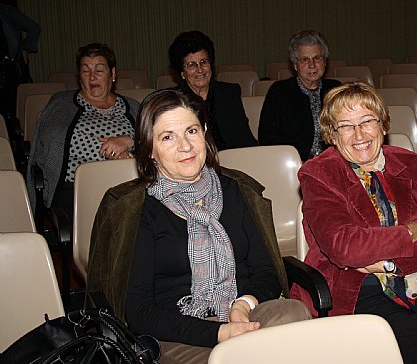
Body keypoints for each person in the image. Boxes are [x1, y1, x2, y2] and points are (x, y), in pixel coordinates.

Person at [86, 89, 310, 363]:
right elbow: (139, 311)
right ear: (149, 149)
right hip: (176, 332)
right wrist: (219, 333)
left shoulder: (238, 190)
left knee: (293, 312)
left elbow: (266, 271)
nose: (185, 146)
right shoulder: (136, 209)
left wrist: (243, 305)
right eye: (168, 137)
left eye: (191, 131)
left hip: (244, 316)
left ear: (204, 132)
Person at [291, 82, 417, 364]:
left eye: (367, 121)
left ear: (383, 125)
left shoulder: (410, 164)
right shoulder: (319, 174)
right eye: (346, 126)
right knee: (416, 338)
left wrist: (389, 263)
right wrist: (411, 232)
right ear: (332, 134)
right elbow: (345, 248)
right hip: (359, 287)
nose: (359, 134)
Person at [27, 43, 138, 219]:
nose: (92, 77)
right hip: (77, 188)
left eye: (99, 70)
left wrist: (129, 141)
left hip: (127, 183)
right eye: (86, 70)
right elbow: (52, 142)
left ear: (113, 74)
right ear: (79, 76)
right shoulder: (61, 104)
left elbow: (153, 138)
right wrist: (114, 153)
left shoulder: (132, 106)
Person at [259, 30, 342, 161]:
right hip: (293, 164)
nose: (312, 65)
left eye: (317, 58)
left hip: (333, 162)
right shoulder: (279, 93)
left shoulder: (336, 90)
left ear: (325, 62)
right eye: (304, 59)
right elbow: (268, 138)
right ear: (295, 65)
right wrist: (296, 162)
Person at [169, 30, 257, 151]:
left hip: (232, 159)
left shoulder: (229, 93)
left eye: (203, 62)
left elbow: (245, 140)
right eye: (191, 65)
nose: (200, 70)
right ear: (182, 73)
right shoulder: (173, 101)